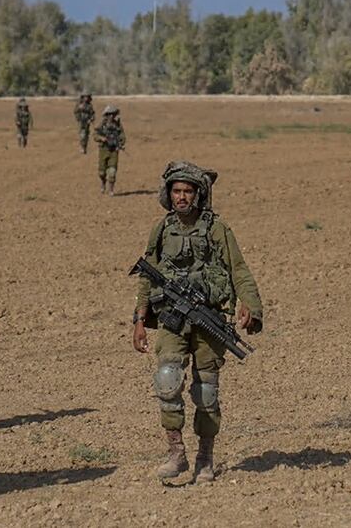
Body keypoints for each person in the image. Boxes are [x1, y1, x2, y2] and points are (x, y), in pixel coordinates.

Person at [132, 161, 263, 483]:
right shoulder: (162, 229)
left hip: (208, 317)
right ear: (169, 194)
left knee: (206, 391)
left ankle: (205, 457)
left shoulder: (217, 228)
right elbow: (147, 277)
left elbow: (238, 269)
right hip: (171, 319)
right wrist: (138, 318)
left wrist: (252, 306)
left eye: (188, 191)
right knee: (166, 379)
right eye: (176, 191)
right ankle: (176, 454)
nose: (182, 197)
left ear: (198, 194)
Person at [94, 106, 126, 195]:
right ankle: (103, 184)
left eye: (113, 114)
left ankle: (111, 190)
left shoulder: (118, 125)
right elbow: (95, 135)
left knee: (112, 172)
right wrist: (102, 138)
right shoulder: (102, 125)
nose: (111, 116)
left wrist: (120, 144)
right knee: (101, 172)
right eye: (109, 114)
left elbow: (122, 136)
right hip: (103, 150)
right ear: (106, 115)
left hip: (113, 151)